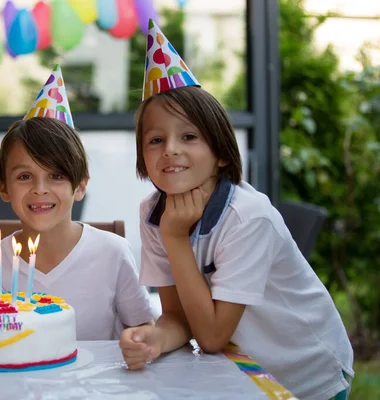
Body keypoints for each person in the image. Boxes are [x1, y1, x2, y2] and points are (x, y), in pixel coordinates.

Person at [119, 20, 353, 400]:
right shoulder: (153, 213)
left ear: (223, 153)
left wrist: (176, 238)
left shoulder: (247, 217)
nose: (170, 150)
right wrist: (155, 338)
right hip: (244, 373)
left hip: (306, 375)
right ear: (142, 159)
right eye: (156, 139)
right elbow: (178, 317)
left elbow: (210, 336)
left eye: (189, 136)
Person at [0, 65, 154, 340]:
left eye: (56, 175)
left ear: (80, 186)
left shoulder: (112, 254)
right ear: (3, 188)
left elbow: (142, 328)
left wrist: (138, 343)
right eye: (24, 176)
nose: (39, 189)